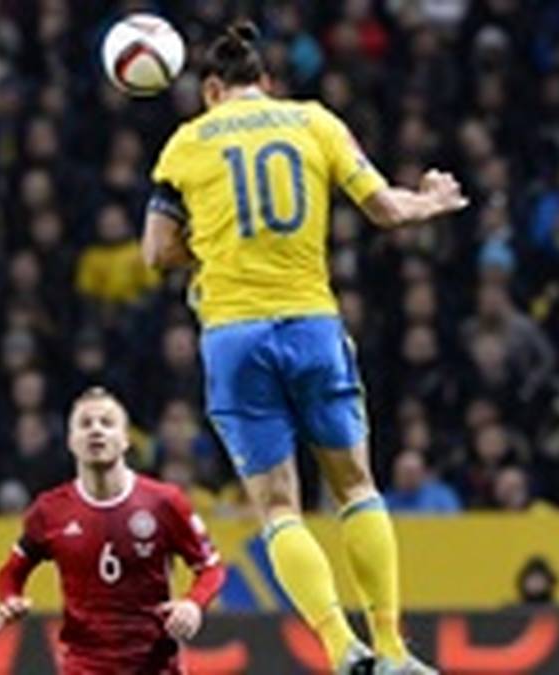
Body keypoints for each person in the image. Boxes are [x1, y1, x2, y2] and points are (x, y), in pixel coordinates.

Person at [142, 21, 468, 675]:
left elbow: (156, 252)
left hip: (234, 337)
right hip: (312, 325)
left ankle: (341, 648)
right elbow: (386, 209)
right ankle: (393, 648)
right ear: (266, 82)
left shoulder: (186, 142)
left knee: (279, 507)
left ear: (211, 90)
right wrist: (431, 201)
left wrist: (215, 245)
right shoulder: (314, 122)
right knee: (355, 486)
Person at [0, 387, 225, 674]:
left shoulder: (164, 502)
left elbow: (211, 568)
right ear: (71, 441)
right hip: (84, 666)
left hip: (155, 666)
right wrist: (10, 598)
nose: (96, 430)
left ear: (125, 439)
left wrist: (193, 604)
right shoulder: (50, 510)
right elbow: (10, 573)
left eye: (107, 422)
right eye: (85, 423)